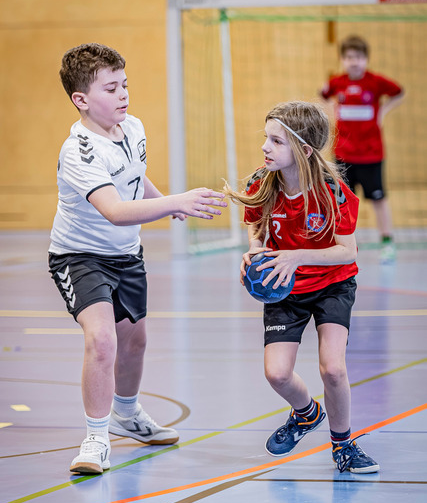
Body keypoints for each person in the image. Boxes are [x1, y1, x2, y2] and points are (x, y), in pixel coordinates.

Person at [49, 42, 227, 475]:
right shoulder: (79, 152)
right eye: (111, 88)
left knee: (135, 342)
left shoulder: (133, 128)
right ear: (81, 100)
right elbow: (114, 210)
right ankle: (96, 439)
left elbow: (134, 177)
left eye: (125, 84)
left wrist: (167, 201)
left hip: (126, 253)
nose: (124, 94)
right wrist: (176, 201)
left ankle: (126, 414)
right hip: (80, 256)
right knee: (102, 340)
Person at [225, 101, 379, 473]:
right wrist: (255, 250)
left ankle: (343, 446)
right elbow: (256, 224)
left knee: (333, 369)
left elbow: (347, 251)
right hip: (285, 287)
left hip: (332, 284)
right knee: (277, 374)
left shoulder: (333, 191)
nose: (265, 147)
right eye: (266, 138)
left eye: (276, 141)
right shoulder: (261, 182)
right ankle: (307, 413)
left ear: (304, 150)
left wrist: (296, 256)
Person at [320, 35, 404, 263]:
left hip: (371, 154)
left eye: (358, 57)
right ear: (342, 60)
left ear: (366, 59)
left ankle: (387, 242)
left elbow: (399, 92)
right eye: (349, 57)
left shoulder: (376, 82)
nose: (354, 62)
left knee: (378, 199)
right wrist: (332, 109)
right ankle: (343, 246)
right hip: (343, 154)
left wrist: (383, 112)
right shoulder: (337, 83)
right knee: (342, 202)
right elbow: (323, 94)